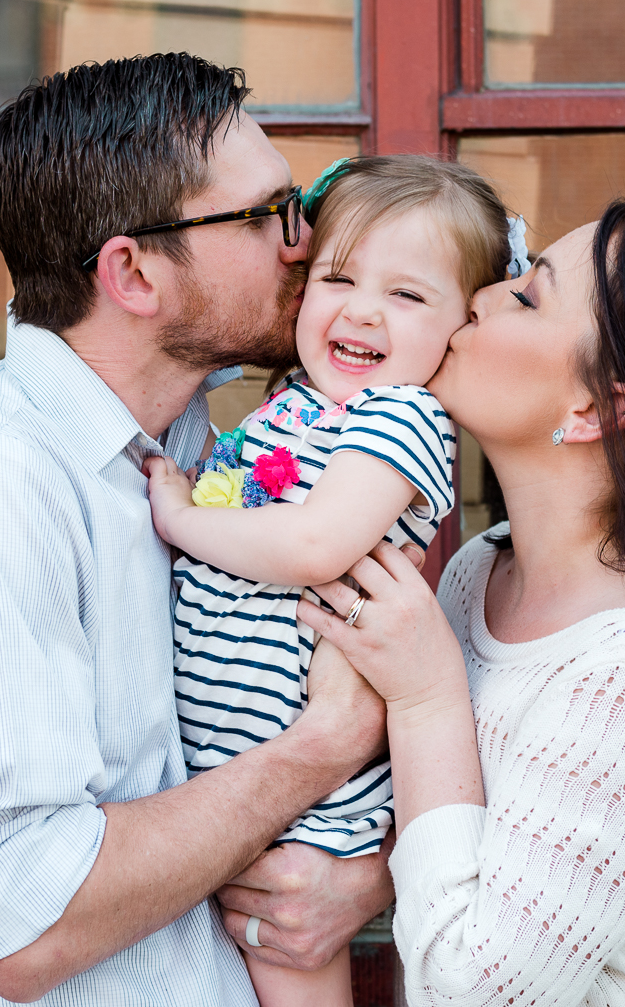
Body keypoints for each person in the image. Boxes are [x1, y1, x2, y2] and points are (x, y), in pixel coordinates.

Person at [0, 55, 393, 1005]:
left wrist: (363, 874)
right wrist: (321, 750)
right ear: (132, 273)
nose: (308, 241)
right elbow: (21, 921)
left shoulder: (211, 445)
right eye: (268, 214)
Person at [299, 203, 625, 1005]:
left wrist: (427, 698)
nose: (478, 298)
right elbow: (477, 834)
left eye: (526, 296)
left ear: (597, 409)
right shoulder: (479, 571)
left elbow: (470, 993)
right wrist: (359, 876)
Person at [142, 155, 514, 1007]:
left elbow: (315, 544)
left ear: (463, 327)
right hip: (227, 768)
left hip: (305, 792)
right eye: (338, 278)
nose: (362, 310)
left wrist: (183, 520)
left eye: (407, 295)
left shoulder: (403, 417)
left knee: (289, 966)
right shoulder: (301, 405)